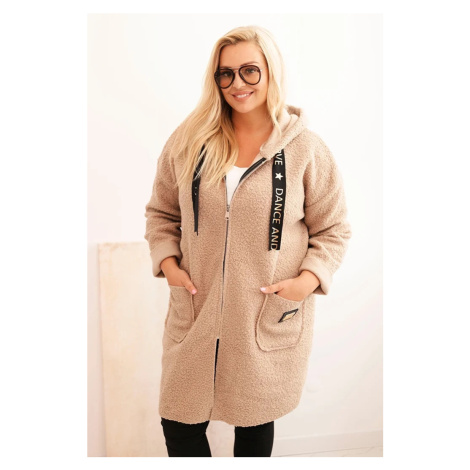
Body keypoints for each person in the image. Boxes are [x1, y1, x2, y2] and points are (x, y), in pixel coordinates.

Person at [144, 25, 352, 457]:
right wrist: (169, 266)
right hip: (196, 309)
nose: (237, 83)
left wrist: (306, 282)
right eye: (226, 74)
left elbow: (333, 229)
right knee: (178, 423)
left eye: (249, 71)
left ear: (271, 71)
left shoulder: (306, 150)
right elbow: (161, 213)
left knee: (254, 422)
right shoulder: (189, 142)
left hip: (262, 313)